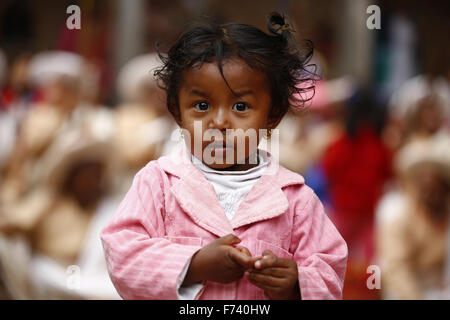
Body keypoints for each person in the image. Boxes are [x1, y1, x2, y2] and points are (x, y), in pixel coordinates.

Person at [101, 12, 348, 300]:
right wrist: (193, 264)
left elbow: (330, 271)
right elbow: (122, 253)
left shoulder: (296, 200)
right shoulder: (158, 183)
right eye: (202, 105)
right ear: (177, 111)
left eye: (241, 106)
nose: (219, 122)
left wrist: (297, 284)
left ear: (273, 115)